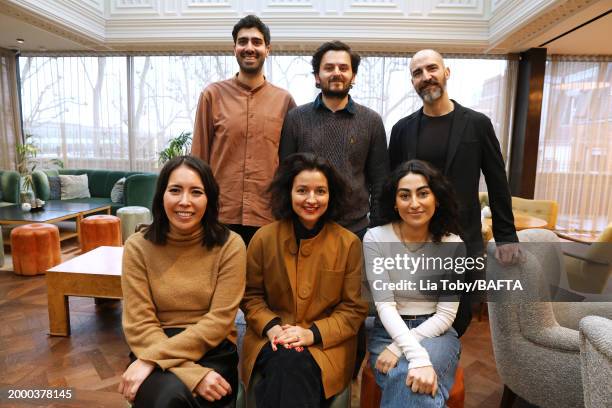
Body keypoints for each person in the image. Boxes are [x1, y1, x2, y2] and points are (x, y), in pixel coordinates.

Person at [387, 49, 519, 335]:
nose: (426, 77)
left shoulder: (477, 124)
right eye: (417, 73)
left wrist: (506, 235)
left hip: (464, 237)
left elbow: (497, 182)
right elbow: (391, 188)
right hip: (415, 241)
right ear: (413, 82)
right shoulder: (402, 129)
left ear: (447, 72)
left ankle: (443, 367)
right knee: (417, 314)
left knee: (459, 318)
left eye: (432, 68)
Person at [240, 153, 368, 407]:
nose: (311, 199)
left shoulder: (348, 243)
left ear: (331, 195)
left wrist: (312, 334)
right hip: (272, 337)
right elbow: (250, 296)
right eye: (302, 190)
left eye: (320, 191)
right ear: (288, 192)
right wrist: (274, 328)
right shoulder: (264, 239)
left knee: (291, 365)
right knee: (288, 361)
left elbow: (354, 309)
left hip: (326, 343)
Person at [119, 156, 246, 407]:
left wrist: (151, 359)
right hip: (153, 343)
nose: (184, 201)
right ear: (161, 196)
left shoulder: (230, 245)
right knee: (167, 398)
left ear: (208, 198)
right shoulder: (137, 247)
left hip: (212, 351)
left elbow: (218, 322)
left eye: (196, 192)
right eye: (175, 190)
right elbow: (139, 322)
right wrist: (193, 374)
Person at [363, 159, 463, 408]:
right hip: (387, 331)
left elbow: (446, 316)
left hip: (437, 333)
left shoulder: (454, 245)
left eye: (423, 194)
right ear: (395, 204)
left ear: (436, 199)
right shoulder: (375, 237)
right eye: (404, 195)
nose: (414, 203)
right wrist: (415, 354)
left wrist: (402, 349)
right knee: (415, 383)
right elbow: (385, 307)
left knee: (406, 377)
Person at [192, 15, 296, 245]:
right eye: (243, 41)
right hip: (220, 213)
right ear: (234, 48)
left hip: (267, 215)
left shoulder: (284, 101)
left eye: (257, 42)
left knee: (262, 281)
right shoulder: (212, 95)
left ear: (267, 49)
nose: (249, 47)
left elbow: (290, 163)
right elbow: (198, 159)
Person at [279, 41, 389, 240]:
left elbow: (380, 181)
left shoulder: (371, 121)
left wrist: (376, 227)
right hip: (305, 228)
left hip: (356, 230)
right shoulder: (295, 118)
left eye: (343, 68)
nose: (336, 73)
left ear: (353, 76)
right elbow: (285, 178)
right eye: (328, 68)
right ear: (317, 77)